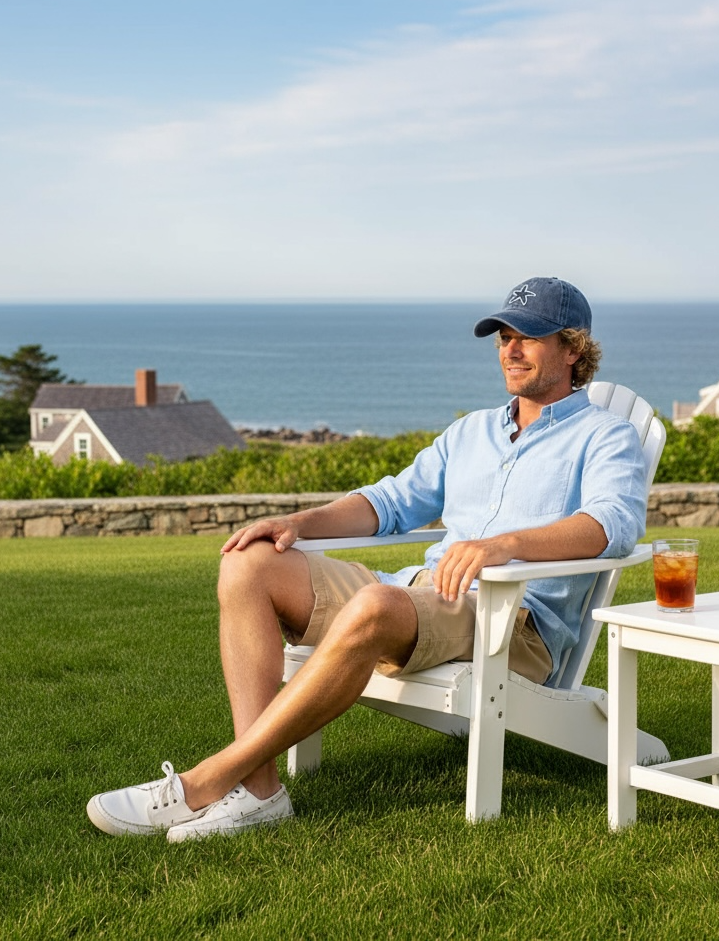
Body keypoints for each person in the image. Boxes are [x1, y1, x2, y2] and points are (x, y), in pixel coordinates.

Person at [86, 276, 648, 842]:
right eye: (503, 336)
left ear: (572, 348)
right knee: (248, 562)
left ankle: (207, 780)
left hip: (513, 623)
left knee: (377, 603)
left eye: (527, 336)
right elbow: (391, 502)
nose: (509, 349)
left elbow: (614, 526)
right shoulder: (471, 432)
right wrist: (299, 524)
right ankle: (257, 791)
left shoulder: (606, 436)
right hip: (423, 593)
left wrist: (504, 545)